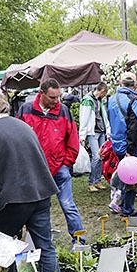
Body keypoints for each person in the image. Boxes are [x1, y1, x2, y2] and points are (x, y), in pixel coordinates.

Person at [0, 89, 60, 272]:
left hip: (13, 199)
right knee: (45, 247)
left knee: (5, 248)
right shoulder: (23, 126)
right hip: (40, 193)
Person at [17, 78, 85, 242]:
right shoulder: (25, 110)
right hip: (34, 171)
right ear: (41, 94)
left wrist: (67, 162)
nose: (57, 101)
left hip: (59, 168)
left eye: (58, 97)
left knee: (68, 206)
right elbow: (17, 138)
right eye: (52, 98)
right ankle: (37, 243)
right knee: (37, 210)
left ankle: (79, 241)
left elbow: (73, 138)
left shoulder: (63, 111)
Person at [79, 82, 110, 193]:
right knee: (96, 157)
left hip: (101, 131)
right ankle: (91, 182)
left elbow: (103, 116)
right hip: (93, 132)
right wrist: (82, 134)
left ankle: (97, 180)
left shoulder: (99, 100)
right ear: (102, 91)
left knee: (101, 156)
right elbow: (84, 117)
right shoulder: (88, 100)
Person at [107, 72, 137, 159]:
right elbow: (134, 126)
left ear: (120, 82)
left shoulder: (111, 99)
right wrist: (130, 149)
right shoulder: (135, 101)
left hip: (115, 142)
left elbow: (110, 119)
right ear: (135, 84)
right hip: (128, 145)